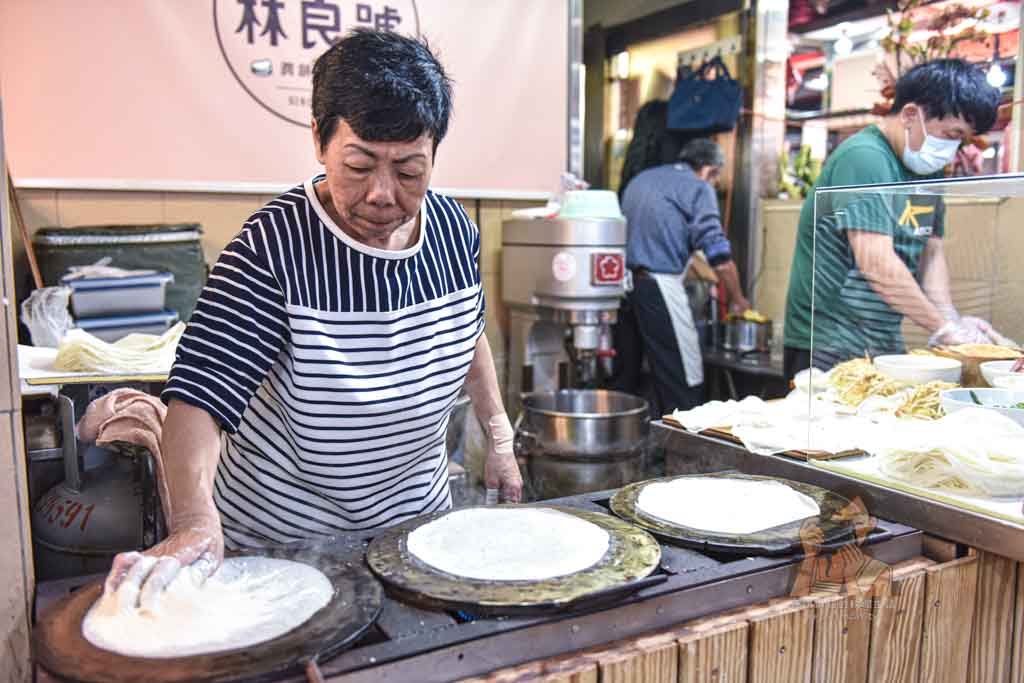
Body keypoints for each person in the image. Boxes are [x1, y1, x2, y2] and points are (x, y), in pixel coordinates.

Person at [103, 28, 523, 598]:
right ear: (319, 143)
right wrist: (194, 523)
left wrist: (498, 437)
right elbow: (200, 397)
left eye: (408, 171)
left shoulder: (454, 232)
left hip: (415, 534)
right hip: (283, 545)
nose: (381, 193)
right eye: (358, 164)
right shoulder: (272, 245)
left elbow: (465, 335)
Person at [783, 59, 1007, 380]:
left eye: (962, 140)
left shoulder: (923, 173)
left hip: (881, 341)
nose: (952, 148)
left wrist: (950, 317)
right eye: (951, 134)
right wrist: (941, 328)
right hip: (828, 341)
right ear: (911, 115)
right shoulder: (865, 157)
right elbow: (876, 263)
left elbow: (932, 252)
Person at [611, 138, 750, 416]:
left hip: (622, 287)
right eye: (716, 179)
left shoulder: (642, 179)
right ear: (709, 170)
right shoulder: (698, 188)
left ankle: (631, 448)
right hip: (659, 285)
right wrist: (738, 299)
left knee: (628, 377)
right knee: (684, 378)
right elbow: (719, 258)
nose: (714, 185)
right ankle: (682, 452)